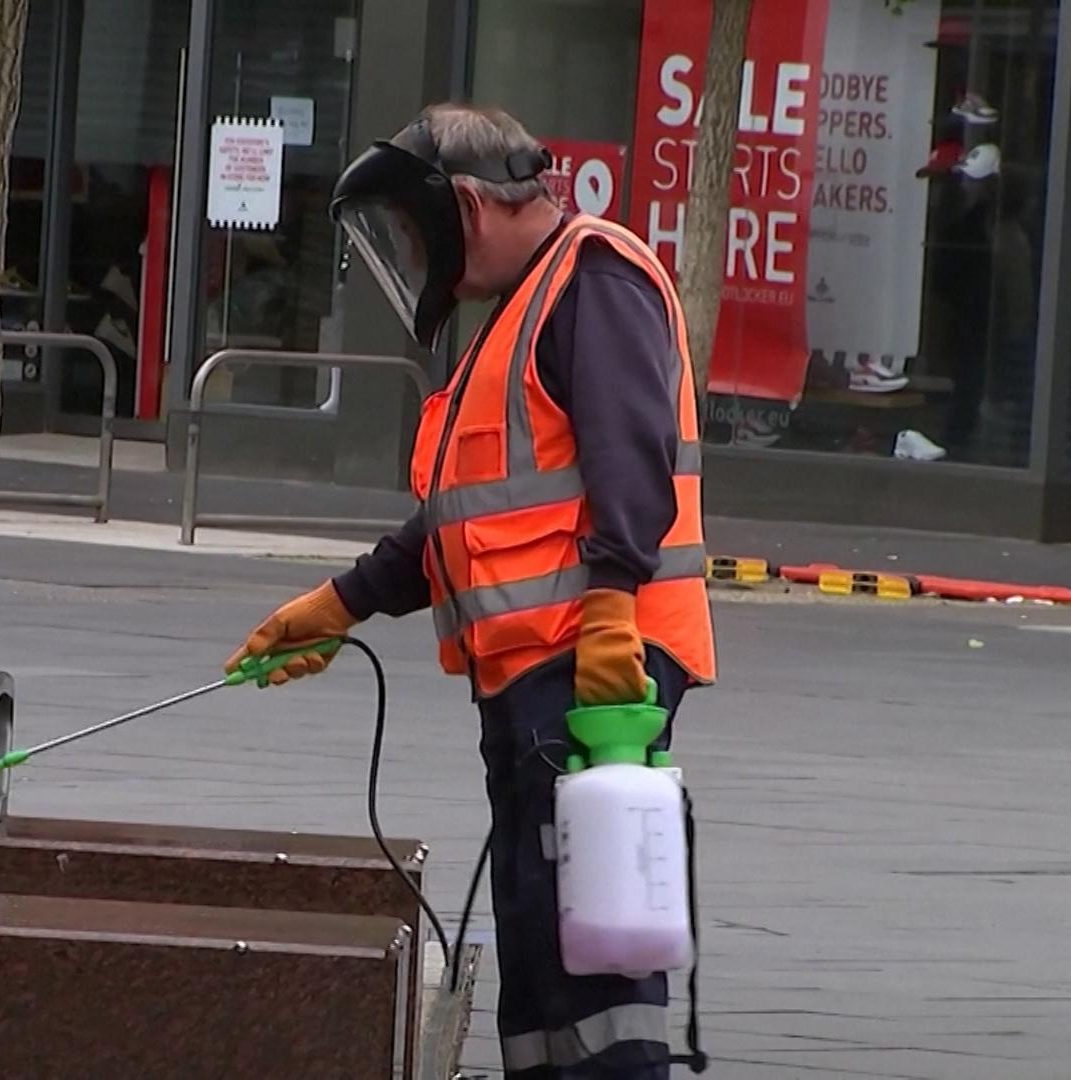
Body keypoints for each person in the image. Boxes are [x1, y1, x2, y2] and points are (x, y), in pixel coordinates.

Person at [225, 105, 716, 1079]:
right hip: (537, 683)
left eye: (413, 232)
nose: (415, 256)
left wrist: (614, 612)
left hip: (588, 673)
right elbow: (460, 522)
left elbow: (635, 462)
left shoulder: (593, 278)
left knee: (597, 979)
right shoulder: (521, 315)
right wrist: (341, 602)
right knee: (539, 971)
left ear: (466, 207)